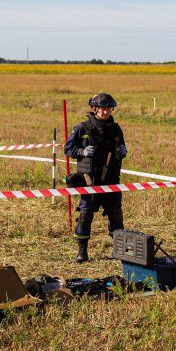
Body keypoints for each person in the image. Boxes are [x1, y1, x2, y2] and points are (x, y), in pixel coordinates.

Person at [64, 93, 127, 263]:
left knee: (116, 215)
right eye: (102, 109)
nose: (106, 112)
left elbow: (122, 147)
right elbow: (68, 149)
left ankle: (119, 250)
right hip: (90, 181)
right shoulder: (82, 128)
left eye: (108, 108)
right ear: (94, 109)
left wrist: (123, 151)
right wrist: (81, 152)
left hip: (111, 181)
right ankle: (82, 252)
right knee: (85, 215)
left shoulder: (116, 129)